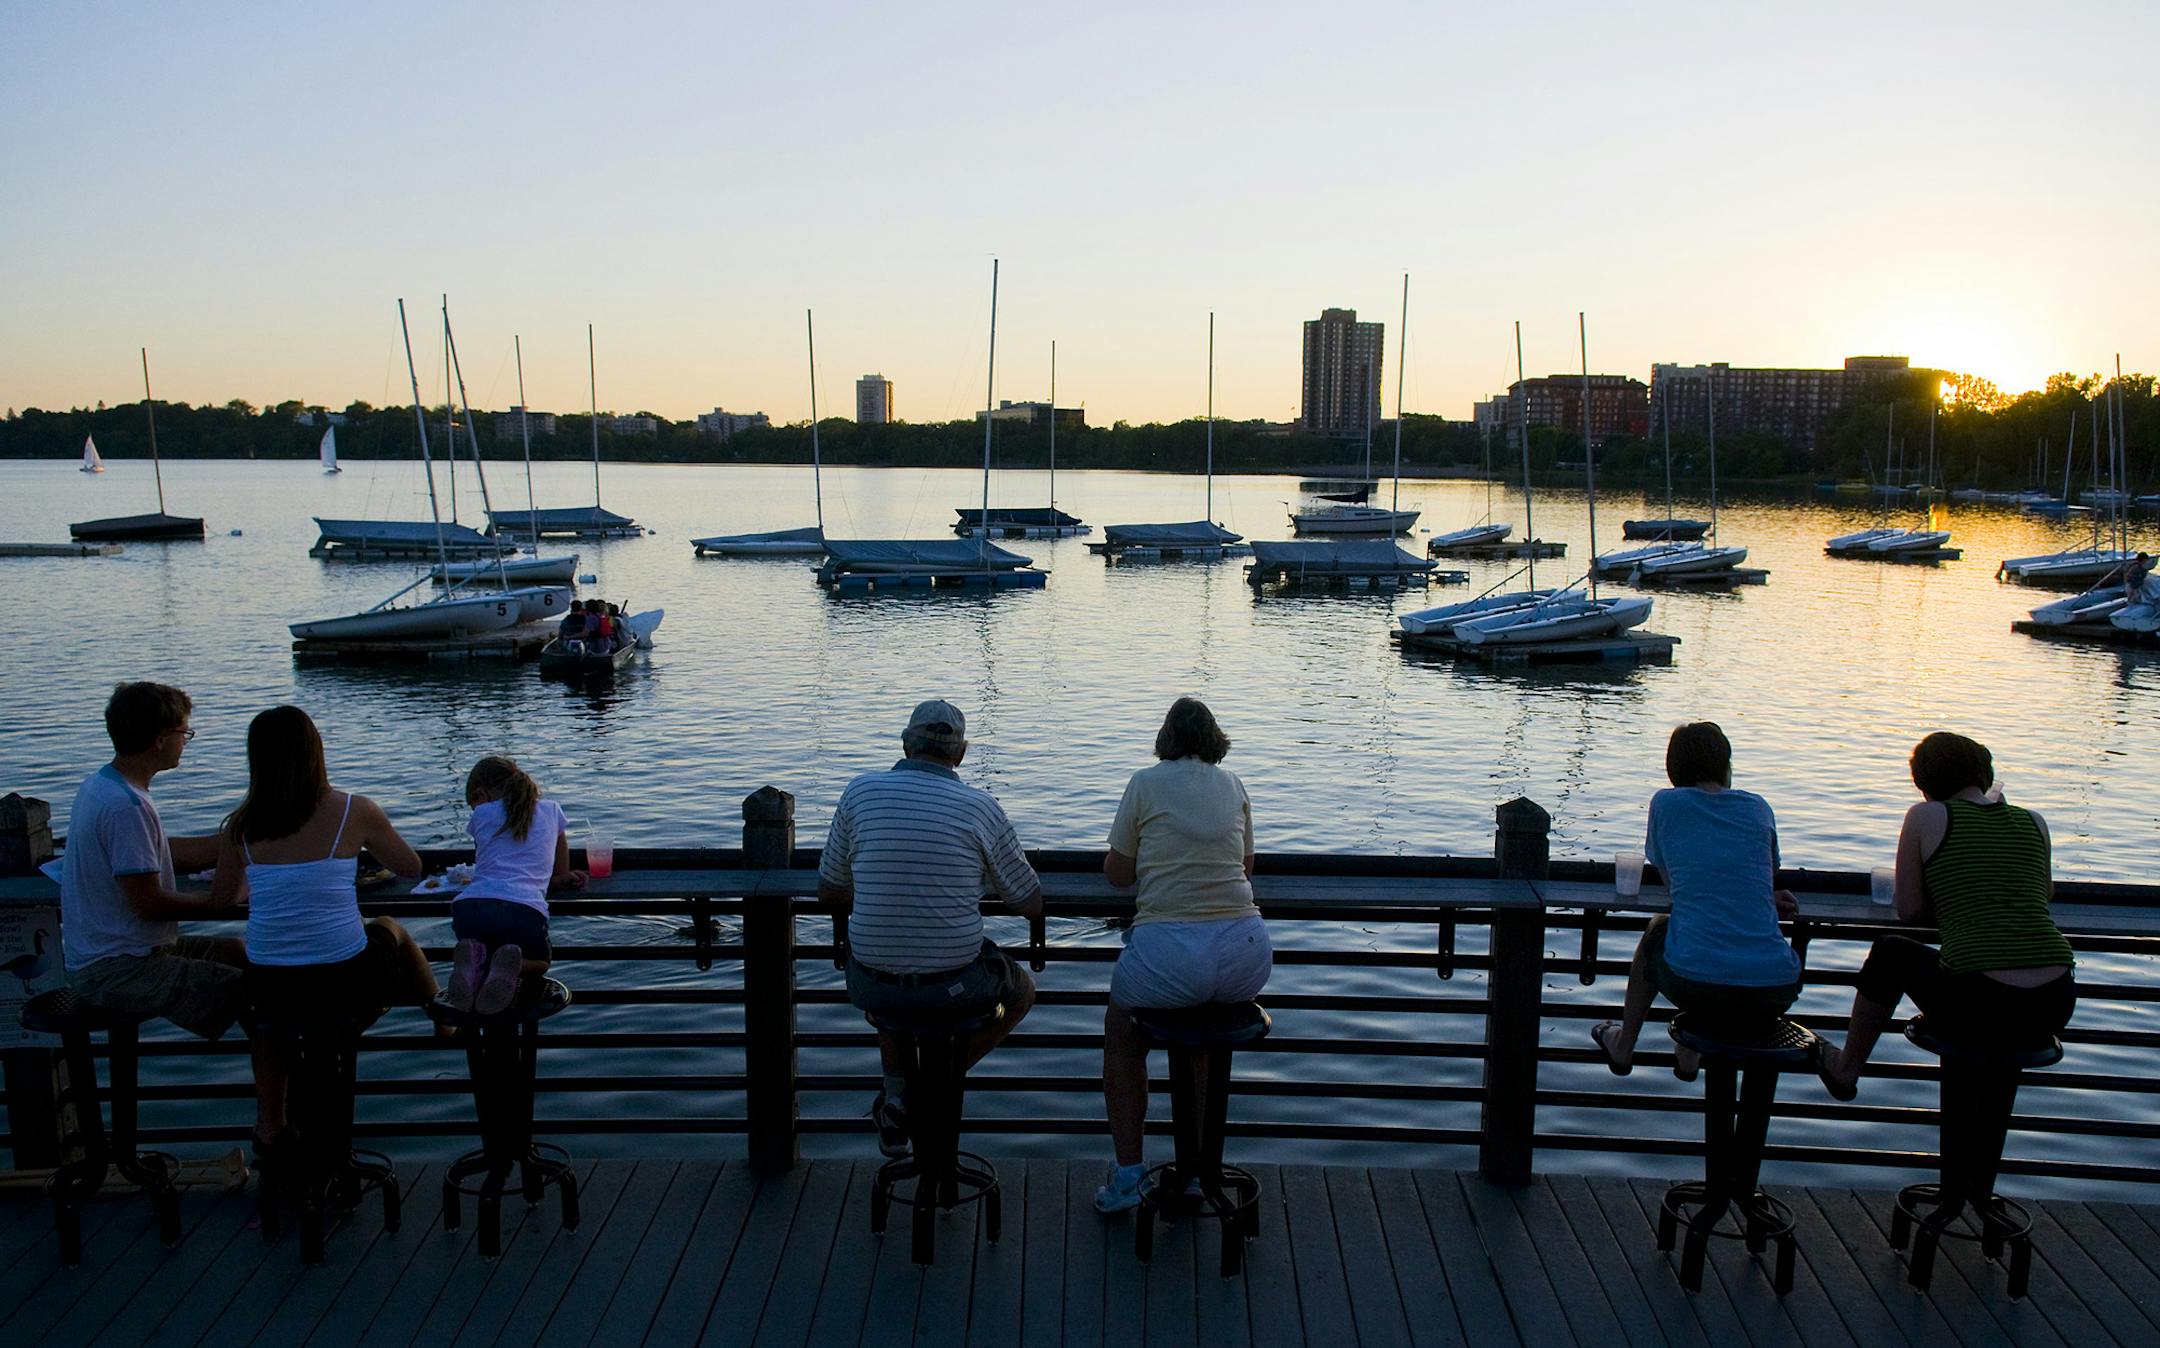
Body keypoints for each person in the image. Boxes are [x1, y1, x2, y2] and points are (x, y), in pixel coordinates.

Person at [818, 699, 1044, 1158]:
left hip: (868, 983)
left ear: (904, 744)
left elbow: (829, 891)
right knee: (1021, 992)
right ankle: (930, 1090)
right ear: (959, 755)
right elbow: (1029, 902)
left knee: (891, 977)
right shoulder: (980, 807)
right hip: (953, 986)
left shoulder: (859, 792)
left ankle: (899, 1095)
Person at [62, 683, 280, 1141]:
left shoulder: (104, 785)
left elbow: (159, 853)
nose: (187, 740)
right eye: (184, 732)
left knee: (238, 952)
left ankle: (280, 1100)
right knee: (259, 996)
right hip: (118, 969)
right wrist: (219, 902)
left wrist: (230, 843)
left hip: (108, 955)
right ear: (161, 738)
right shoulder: (127, 808)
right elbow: (147, 903)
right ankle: (275, 1121)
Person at [1816, 733, 2076, 1100]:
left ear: (1924, 784)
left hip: (1980, 1002)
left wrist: (1953, 894)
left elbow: (1909, 909)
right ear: (1985, 774)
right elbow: (2043, 893)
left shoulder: (1925, 816)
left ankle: (1846, 1068)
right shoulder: (2034, 820)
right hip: (2055, 1000)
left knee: (1890, 951)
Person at [1093, 697, 1269, 1214]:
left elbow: (1119, 874)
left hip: (1169, 954)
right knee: (1202, 1044)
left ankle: (1128, 1176)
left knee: (1123, 1040)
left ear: (1166, 741)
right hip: (1245, 951)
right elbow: (1246, 867)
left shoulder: (1145, 784)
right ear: (1214, 741)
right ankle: (1195, 1172)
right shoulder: (1234, 785)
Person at [210, 706, 438, 1051]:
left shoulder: (239, 826)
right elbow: (411, 867)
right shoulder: (355, 810)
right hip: (345, 984)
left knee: (240, 956)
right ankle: (444, 1021)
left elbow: (224, 898)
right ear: (315, 751)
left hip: (272, 990)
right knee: (390, 926)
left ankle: (280, 1080)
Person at [1589, 722, 1801, 1081]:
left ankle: (1625, 1045)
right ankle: (1687, 1059)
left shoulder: (1667, 803)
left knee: (1661, 930)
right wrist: (1763, 895)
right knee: (1697, 941)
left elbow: (1679, 890)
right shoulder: (1758, 807)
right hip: (1775, 988)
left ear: (1674, 767)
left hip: (1700, 985)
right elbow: (1761, 872)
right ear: (1725, 764)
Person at [450, 755, 582, 1014]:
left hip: (470, 907)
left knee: (484, 954)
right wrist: (561, 877)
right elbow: (559, 869)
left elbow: (484, 859)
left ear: (480, 794)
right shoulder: (552, 809)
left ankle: (475, 959)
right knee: (542, 962)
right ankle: (515, 966)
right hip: (522, 909)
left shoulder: (482, 813)